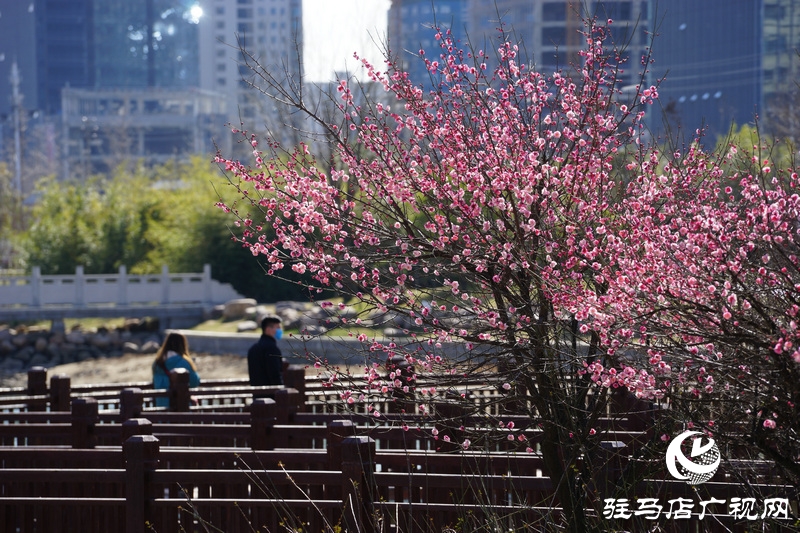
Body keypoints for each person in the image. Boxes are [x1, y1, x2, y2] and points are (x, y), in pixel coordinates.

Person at [152, 332, 201, 407]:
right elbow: (194, 382)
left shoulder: (157, 363)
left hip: (161, 405)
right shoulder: (184, 362)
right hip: (180, 404)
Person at [248, 315, 284, 387]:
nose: (280, 330)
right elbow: (274, 374)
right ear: (268, 329)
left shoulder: (253, 348)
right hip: (270, 392)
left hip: (256, 391)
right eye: (278, 328)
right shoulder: (272, 348)